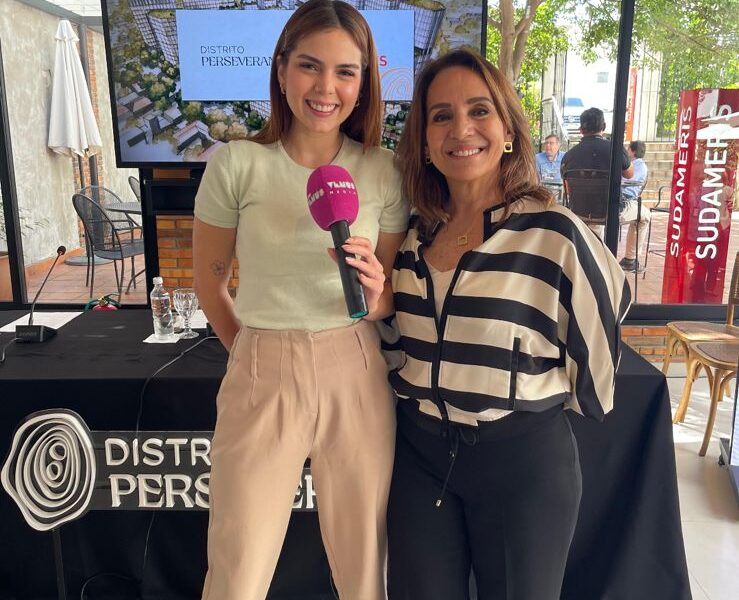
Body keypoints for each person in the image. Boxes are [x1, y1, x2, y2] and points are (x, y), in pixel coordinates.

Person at [387, 49, 630, 600]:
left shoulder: (553, 232)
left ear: (509, 132)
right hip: (419, 459)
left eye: (480, 110)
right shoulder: (411, 236)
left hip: (522, 466)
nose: (461, 129)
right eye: (441, 116)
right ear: (424, 142)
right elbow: (392, 340)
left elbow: (608, 314)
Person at [192, 2, 408, 599]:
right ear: (282, 68)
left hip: (357, 368)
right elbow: (210, 284)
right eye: (310, 65)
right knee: (237, 567)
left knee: (365, 569)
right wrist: (254, 354)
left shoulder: (383, 170)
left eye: (346, 72)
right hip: (262, 366)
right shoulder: (238, 164)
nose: (325, 87)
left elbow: (389, 297)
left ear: (363, 83)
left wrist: (375, 293)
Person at [560, 107, 634, 238]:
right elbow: (629, 174)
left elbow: (567, 189)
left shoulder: (568, 156)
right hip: (610, 211)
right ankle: (630, 253)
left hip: (578, 211)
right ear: (603, 126)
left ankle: (592, 244)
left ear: (581, 130)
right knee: (645, 215)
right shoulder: (615, 149)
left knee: (592, 221)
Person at [619, 140, 650, 273]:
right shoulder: (634, 165)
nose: (626, 151)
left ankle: (629, 260)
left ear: (632, 151)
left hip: (625, 199)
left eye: (628, 149)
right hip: (621, 204)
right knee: (646, 216)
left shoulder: (638, 166)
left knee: (644, 214)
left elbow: (626, 181)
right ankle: (630, 259)